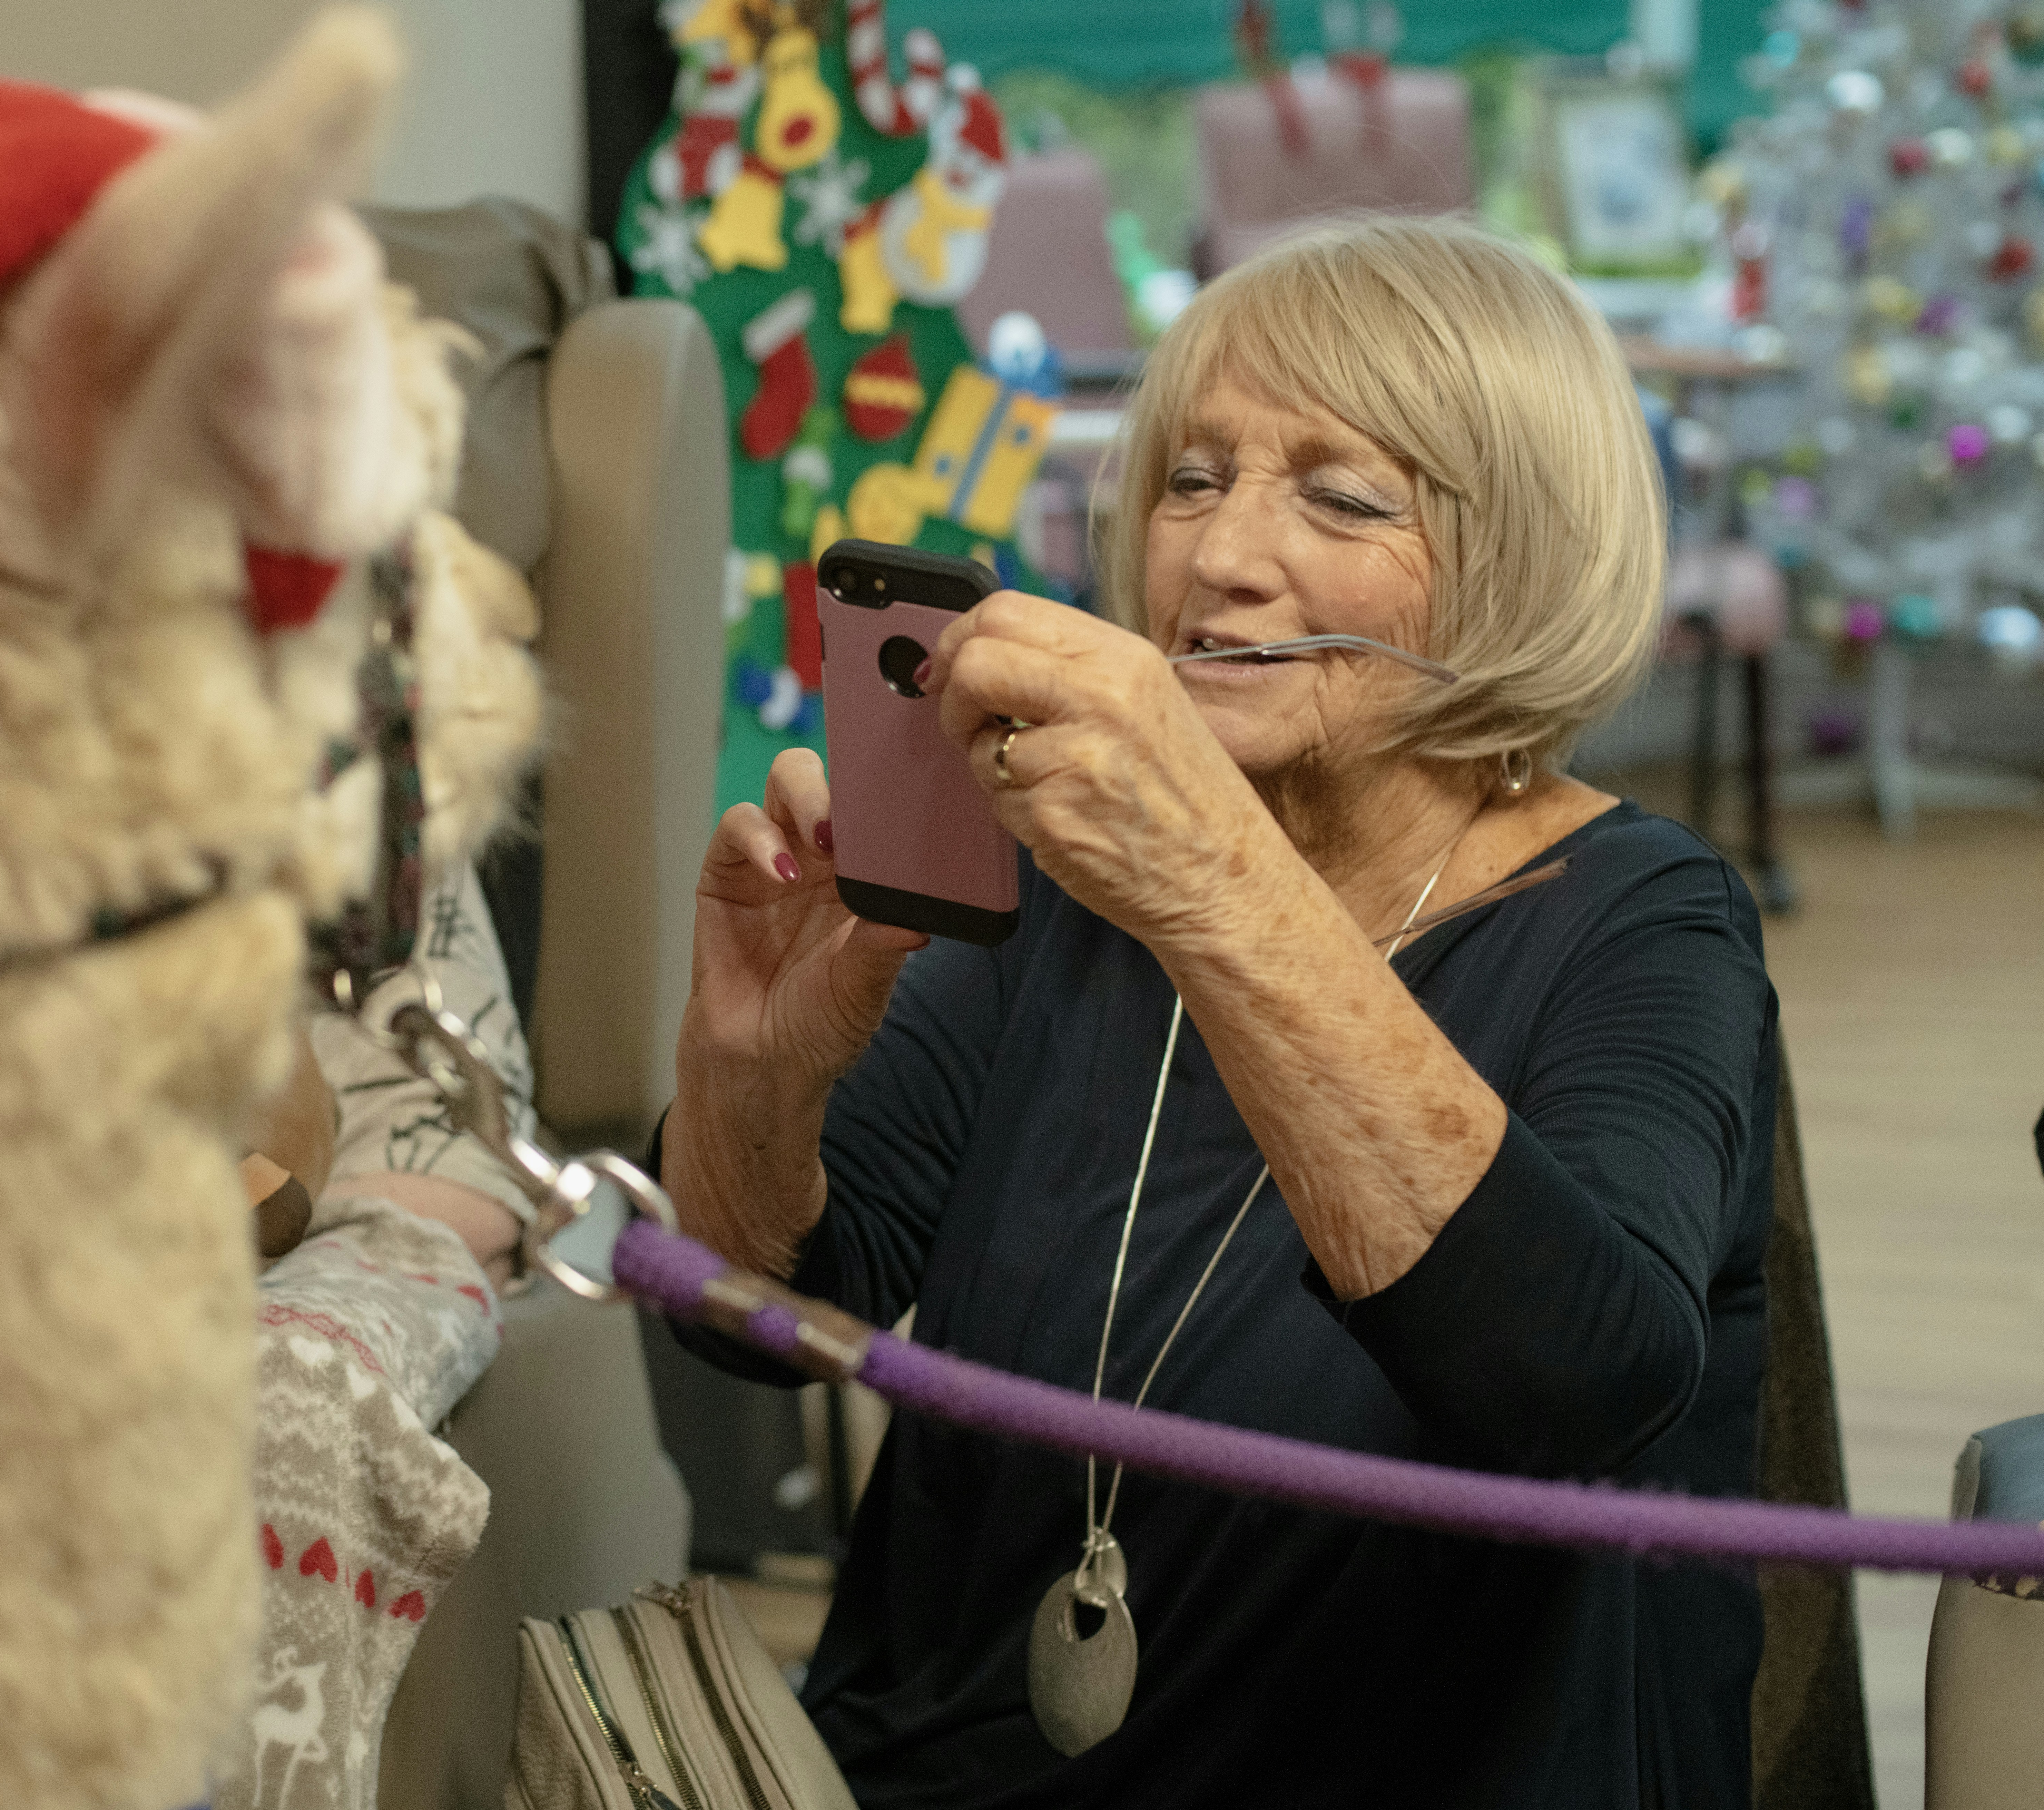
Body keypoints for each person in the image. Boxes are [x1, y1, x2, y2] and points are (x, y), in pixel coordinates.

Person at [662, 216, 1772, 1808]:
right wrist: (746, 1082)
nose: (1219, 556)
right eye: (1190, 478)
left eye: (1339, 495)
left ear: (1519, 555)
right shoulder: (1057, 877)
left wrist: (1212, 881)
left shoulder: (1645, 919)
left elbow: (1568, 1388)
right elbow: (758, 1317)